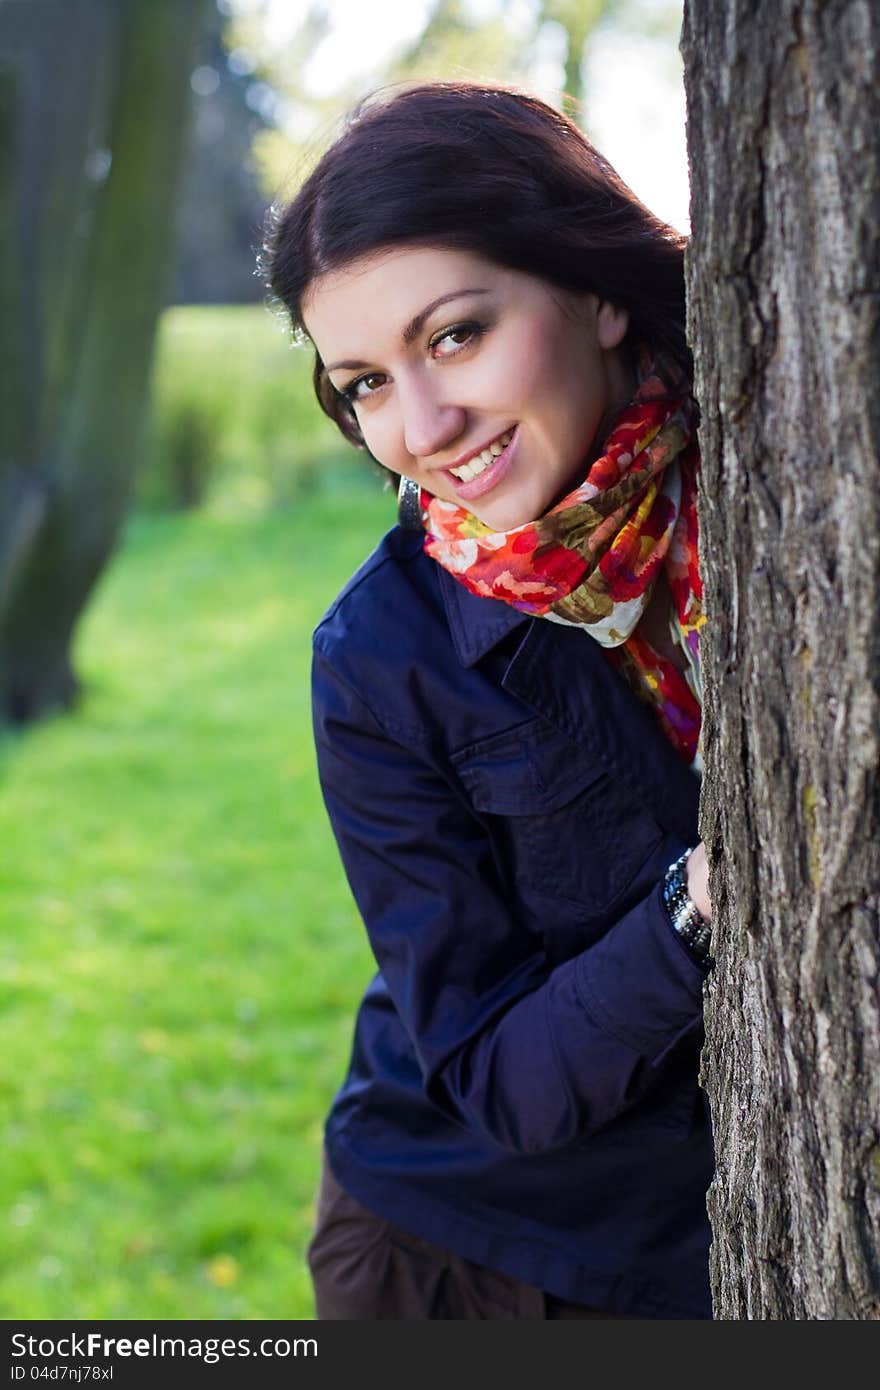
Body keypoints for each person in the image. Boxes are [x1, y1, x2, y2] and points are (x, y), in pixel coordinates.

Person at [266, 80, 715, 1321]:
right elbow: (493, 1075)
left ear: (595, 287)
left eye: (455, 334)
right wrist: (701, 899)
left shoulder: (781, 484)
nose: (421, 425)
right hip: (461, 1254)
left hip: (709, 1251)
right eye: (362, 381)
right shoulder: (378, 659)